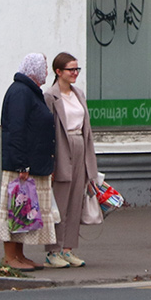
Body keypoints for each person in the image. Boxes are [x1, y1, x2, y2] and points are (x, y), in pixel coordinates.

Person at [0, 53, 56, 271]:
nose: (46, 72)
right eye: (44, 67)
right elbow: (16, 129)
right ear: (34, 69)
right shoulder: (21, 92)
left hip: (32, 164)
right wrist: (21, 164)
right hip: (21, 166)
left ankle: (20, 256)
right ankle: (9, 257)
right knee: (15, 209)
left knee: (24, 212)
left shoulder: (30, 91)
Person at [44, 52, 99, 268]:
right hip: (61, 149)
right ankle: (52, 251)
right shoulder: (50, 96)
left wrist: (89, 160)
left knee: (77, 199)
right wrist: (50, 161)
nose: (75, 73)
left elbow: (87, 128)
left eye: (77, 69)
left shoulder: (79, 94)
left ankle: (68, 249)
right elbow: (47, 131)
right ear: (59, 72)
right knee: (60, 203)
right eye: (71, 69)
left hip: (80, 147)